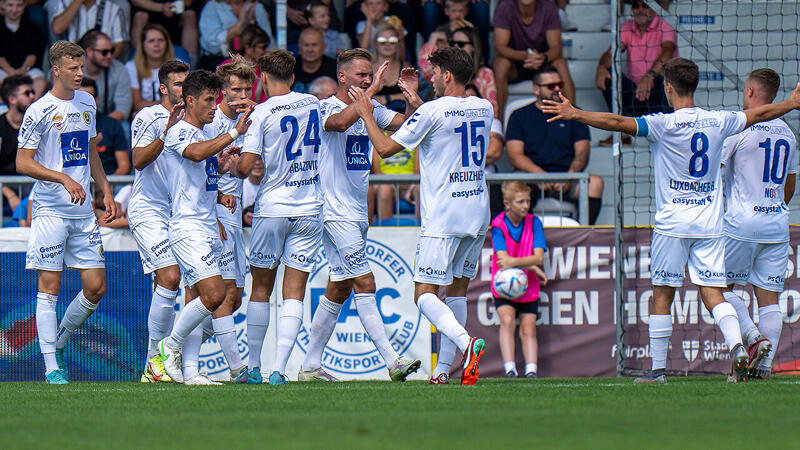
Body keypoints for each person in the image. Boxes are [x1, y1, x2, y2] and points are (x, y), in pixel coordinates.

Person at [540, 57, 800, 383]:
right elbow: (759, 115)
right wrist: (790, 103)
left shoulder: (662, 124)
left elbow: (617, 122)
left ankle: (658, 371)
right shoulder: (719, 121)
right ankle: (738, 345)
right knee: (715, 293)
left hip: (673, 224)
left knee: (663, 294)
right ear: (695, 85)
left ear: (667, 87)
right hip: (710, 225)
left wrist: (577, 113)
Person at [349, 46, 488, 385]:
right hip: (477, 210)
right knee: (457, 291)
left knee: (424, 294)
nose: (431, 78)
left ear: (448, 75)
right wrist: (416, 102)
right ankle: (443, 372)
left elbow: (385, 149)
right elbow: (444, 125)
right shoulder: (483, 106)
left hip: (444, 215)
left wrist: (367, 114)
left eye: (435, 73)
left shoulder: (431, 111)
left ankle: (467, 344)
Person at [298, 49, 422, 382]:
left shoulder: (371, 108)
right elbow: (340, 124)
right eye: (361, 75)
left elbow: (408, 127)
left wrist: (410, 99)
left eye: (370, 75)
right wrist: (374, 91)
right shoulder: (325, 108)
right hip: (333, 211)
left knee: (339, 288)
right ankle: (393, 361)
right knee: (365, 281)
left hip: (355, 210)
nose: (367, 80)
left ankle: (309, 366)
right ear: (342, 77)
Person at [16, 40, 118, 384]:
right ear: (56, 70)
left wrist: (105, 189)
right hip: (50, 210)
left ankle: (58, 341)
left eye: (82, 67)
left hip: (83, 211)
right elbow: (22, 162)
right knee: (50, 287)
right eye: (73, 68)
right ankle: (51, 367)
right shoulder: (39, 110)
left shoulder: (87, 101)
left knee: (96, 286)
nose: (80, 74)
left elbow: (90, 152)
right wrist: (62, 178)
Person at [153, 69, 253, 385]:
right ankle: (168, 347)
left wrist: (221, 168)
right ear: (190, 101)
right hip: (187, 228)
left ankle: (192, 371)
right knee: (215, 294)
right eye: (209, 100)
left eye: (215, 99)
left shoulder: (202, 134)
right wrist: (234, 133)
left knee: (197, 300)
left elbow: (201, 173)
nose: (213, 107)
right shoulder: (179, 131)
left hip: (207, 226)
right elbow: (195, 154)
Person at [236, 50, 323, 385]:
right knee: (294, 293)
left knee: (260, 288)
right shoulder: (313, 103)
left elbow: (246, 168)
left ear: (262, 78)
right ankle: (279, 370)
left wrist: (233, 159)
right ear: (293, 77)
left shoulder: (261, 113)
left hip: (272, 209)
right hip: (309, 208)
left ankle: (253, 367)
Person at [719, 69, 797, 380]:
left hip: (742, 222)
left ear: (750, 91)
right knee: (769, 301)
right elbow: (789, 186)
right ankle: (763, 370)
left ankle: (752, 336)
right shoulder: (788, 134)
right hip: (776, 223)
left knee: (716, 289)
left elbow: (713, 169)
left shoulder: (739, 127)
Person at [128, 60, 188, 383]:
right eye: (177, 84)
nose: (183, 89)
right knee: (170, 276)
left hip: (179, 214)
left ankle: (164, 363)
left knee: (175, 286)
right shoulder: (148, 116)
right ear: (163, 88)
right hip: (148, 210)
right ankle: (154, 360)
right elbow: (138, 160)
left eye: (186, 83)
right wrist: (166, 131)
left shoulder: (193, 120)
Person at [209, 55, 258, 383]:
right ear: (222, 91)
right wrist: (211, 207)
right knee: (223, 293)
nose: (241, 96)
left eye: (246, 90)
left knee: (235, 298)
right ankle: (237, 368)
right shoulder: (210, 121)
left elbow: (242, 171)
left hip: (234, 212)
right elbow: (194, 170)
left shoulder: (250, 121)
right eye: (235, 90)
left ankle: (175, 345)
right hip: (214, 211)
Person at [506, 66, 604, 224]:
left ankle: (583, 233)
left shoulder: (575, 113)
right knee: (515, 186)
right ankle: (524, 235)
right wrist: (540, 175)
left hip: (568, 178)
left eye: (560, 84)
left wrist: (569, 177)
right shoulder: (519, 116)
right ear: (536, 89)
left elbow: (582, 153)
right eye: (551, 86)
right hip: (532, 177)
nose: (557, 89)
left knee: (596, 184)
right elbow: (515, 156)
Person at [596, 0, 676, 145]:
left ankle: (669, 135)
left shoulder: (664, 23)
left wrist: (649, 76)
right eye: (635, 6)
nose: (640, 10)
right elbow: (611, 53)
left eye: (645, 5)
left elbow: (667, 52)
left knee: (664, 79)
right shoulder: (627, 27)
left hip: (659, 95)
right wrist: (601, 67)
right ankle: (621, 133)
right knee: (607, 75)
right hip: (637, 94)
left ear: (653, 8)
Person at [491, 181, 547, 378]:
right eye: (520, 202)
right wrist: (530, 265)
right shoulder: (498, 224)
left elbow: (538, 258)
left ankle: (531, 370)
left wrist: (520, 263)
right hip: (504, 284)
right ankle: (510, 369)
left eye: (528, 201)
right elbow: (502, 260)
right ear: (507, 204)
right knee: (507, 321)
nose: (525, 206)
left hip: (528, 284)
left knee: (528, 328)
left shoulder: (534, 223)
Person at [493, 0, 575, 120]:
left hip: (543, 63)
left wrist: (542, 58)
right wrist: (525, 56)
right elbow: (500, 47)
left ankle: (573, 118)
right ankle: (498, 122)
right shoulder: (505, 6)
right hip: (515, 64)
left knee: (561, 63)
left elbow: (556, 49)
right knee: (500, 64)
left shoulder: (548, 6)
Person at [198, 0, 274, 66]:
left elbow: (266, 41)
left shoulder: (256, 7)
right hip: (216, 59)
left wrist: (251, 24)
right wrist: (240, 23)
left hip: (251, 59)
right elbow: (212, 45)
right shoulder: (213, 6)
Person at [78, 78, 129, 175]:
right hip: (77, 181)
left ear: (96, 100)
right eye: (80, 97)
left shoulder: (112, 125)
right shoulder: (67, 125)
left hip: (110, 179)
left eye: (89, 97)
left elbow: (124, 166)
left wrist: (105, 184)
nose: (84, 102)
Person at [80, 31, 132, 122]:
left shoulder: (119, 69)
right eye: (104, 52)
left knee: (124, 126)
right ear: (89, 51)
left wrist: (102, 125)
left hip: (107, 120)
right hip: (75, 119)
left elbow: (123, 109)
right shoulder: (72, 68)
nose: (109, 56)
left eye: (111, 51)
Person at [126, 24, 178, 114]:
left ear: (167, 43)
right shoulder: (131, 67)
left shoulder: (177, 66)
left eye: (160, 40)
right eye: (151, 41)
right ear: (142, 45)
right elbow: (136, 104)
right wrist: (164, 103)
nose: (156, 45)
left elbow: (180, 100)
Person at [49, 0, 128, 59]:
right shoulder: (63, 2)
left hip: (100, 66)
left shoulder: (113, 8)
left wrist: (101, 65)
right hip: (68, 63)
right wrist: (77, 2)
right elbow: (57, 28)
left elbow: (118, 46)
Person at [0, 0, 47, 97]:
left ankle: (31, 106)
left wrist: (23, 69)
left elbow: (32, 55)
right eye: (10, 5)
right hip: (4, 69)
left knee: (40, 82)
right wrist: (11, 71)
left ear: (25, 5)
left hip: (27, 70)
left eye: (19, 5)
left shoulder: (33, 29)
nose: (14, 10)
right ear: (2, 4)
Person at [130, 0, 200, 64]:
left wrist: (174, 6)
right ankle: (136, 58)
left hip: (176, 8)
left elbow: (188, 2)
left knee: (190, 15)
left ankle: (191, 63)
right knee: (140, 16)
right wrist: (162, 7)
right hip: (152, 7)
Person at [220, 24, 271, 103]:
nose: (267, 50)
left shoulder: (266, 69)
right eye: (263, 47)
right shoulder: (228, 67)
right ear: (248, 48)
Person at [0, 75, 36, 176]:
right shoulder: (1, 126)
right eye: (27, 93)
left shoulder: (38, 124)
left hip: (32, 182)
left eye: (33, 92)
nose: (32, 96)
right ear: (12, 99)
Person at [371, 23, 410, 111]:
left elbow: (412, 96)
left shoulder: (405, 67)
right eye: (382, 41)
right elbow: (360, 97)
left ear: (398, 43)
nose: (387, 44)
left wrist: (386, 98)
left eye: (393, 40)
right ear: (375, 43)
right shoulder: (367, 68)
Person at [292, 27, 337, 94]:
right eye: (306, 45)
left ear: (324, 47)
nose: (310, 50)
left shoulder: (335, 68)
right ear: (299, 47)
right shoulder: (289, 68)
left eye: (314, 45)